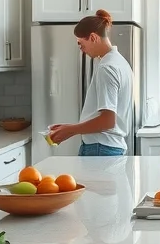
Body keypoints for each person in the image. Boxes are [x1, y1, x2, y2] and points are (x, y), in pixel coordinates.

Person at [48, 9, 134, 156]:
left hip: (100, 148)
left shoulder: (107, 68)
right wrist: (71, 128)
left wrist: (71, 130)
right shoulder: (121, 63)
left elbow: (107, 121)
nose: (82, 50)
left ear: (93, 38)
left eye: (81, 44)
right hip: (109, 147)